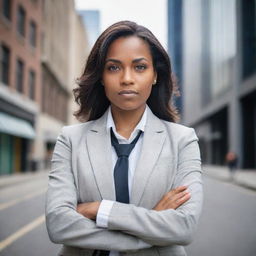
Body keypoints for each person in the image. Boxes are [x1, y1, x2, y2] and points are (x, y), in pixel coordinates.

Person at [45, 20, 203, 256]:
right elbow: (59, 225)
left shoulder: (183, 140)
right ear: (100, 76)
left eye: (139, 67)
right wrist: (151, 230)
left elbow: (184, 227)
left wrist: (100, 209)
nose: (127, 78)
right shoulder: (71, 139)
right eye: (114, 67)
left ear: (155, 75)